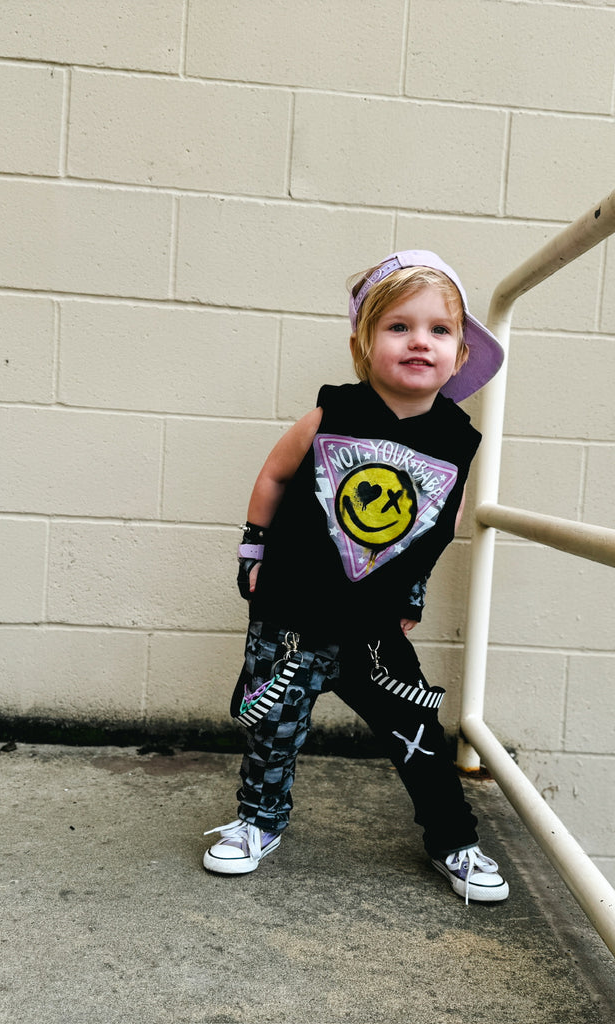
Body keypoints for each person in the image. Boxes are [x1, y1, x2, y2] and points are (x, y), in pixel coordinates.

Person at [203, 250, 508, 903]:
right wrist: (253, 548)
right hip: (290, 616)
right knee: (272, 728)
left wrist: (413, 591)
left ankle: (453, 839)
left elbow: (439, 524)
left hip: (372, 630)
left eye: (439, 329)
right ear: (363, 345)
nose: (419, 341)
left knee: (418, 734)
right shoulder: (330, 415)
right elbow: (273, 475)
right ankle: (259, 822)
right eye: (399, 326)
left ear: (459, 355)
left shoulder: (456, 440)